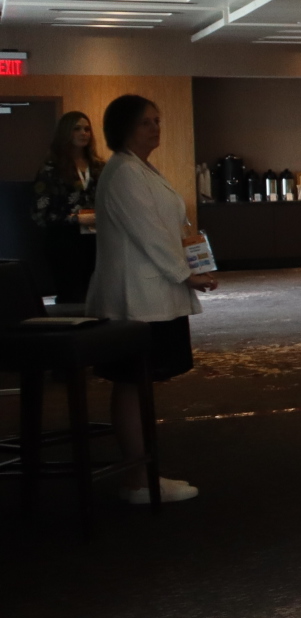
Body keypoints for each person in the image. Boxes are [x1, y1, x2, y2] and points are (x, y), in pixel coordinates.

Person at [89, 95, 215, 503]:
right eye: (147, 122)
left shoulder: (140, 168)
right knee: (131, 383)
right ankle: (136, 479)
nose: (156, 128)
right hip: (136, 295)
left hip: (151, 291)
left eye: (158, 121)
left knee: (141, 384)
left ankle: (144, 473)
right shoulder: (123, 171)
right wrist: (186, 274)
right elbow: (150, 234)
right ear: (124, 127)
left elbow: (170, 226)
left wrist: (192, 260)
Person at [32, 111, 101, 304]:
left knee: (96, 296)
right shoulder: (51, 168)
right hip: (65, 242)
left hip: (96, 240)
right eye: (77, 129)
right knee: (73, 297)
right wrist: (76, 218)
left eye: (87, 129)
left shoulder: (98, 166)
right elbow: (40, 214)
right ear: (65, 133)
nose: (84, 133)